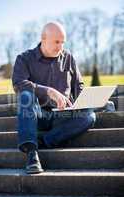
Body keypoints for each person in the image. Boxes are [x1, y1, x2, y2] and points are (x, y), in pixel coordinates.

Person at [12, 22, 98, 174]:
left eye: (63, 42)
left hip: (63, 114)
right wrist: (48, 91)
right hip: (37, 115)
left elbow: (79, 87)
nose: (60, 47)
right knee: (25, 96)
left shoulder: (69, 58)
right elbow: (19, 84)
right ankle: (32, 153)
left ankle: (44, 141)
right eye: (56, 42)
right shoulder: (24, 59)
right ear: (43, 39)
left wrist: (92, 101)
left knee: (89, 116)